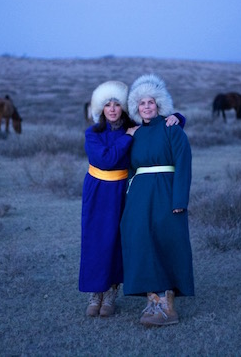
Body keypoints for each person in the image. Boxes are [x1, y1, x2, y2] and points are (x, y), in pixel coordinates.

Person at [79, 80, 183, 318]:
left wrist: (177, 117)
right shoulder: (93, 133)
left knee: (117, 240)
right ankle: (96, 293)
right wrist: (126, 137)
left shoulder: (135, 126)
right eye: (108, 105)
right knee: (95, 240)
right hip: (97, 190)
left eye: (117, 104)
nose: (113, 109)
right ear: (100, 109)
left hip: (123, 189)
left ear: (124, 108)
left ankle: (112, 293)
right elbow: (105, 160)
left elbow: (154, 121)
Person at [121, 74, 194, 326]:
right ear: (136, 107)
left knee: (165, 242)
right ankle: (152, 299)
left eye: (151, 102)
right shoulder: (134, 133)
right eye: (142, 103)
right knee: (142, 241)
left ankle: (167, 306)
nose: (147, 107)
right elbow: (129, 169)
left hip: (166, 193)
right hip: (139, 196)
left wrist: (179, 199)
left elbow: (184, 165)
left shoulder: (172, 128)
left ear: (159, 104)